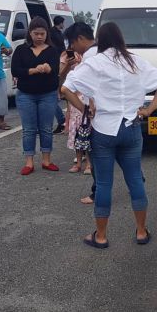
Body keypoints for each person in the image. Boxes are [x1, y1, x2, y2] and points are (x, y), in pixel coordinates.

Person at [62, 22, 157, 249]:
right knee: (135, 180)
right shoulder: (136, 62)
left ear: (100, 39)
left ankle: (100, 236)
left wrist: (84, 110)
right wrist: (148, 110)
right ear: (120, 38)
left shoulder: (95, 63)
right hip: (131, 127)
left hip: (103, 130)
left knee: (103, 184)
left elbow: (65, 88)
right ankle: (141, 231)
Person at [10, 17, 61, 175]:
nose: (39, 37)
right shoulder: (21, 50)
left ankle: (46, 159)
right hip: (26, 94)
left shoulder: (52, 50)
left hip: (48, 94)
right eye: (36, 33)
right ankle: (29, 161)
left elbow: (56, 69)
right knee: (29, 129)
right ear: (29, 33)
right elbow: (15, 70)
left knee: (46, 128)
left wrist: (48, 68)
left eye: (42, 33)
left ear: (47, 34)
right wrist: (33, 70)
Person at [61, 22, 96, 203]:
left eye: (73, 43)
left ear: (81, 38)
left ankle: (97, 194)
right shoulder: (115, 53)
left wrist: (85, 110)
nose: (72, 48)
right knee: (129, 162)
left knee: (100, 161)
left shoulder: (89, 59)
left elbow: (64, 89)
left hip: (102, 119)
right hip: (125, 119)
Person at [51, 16, 67, 134]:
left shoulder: (52, 33)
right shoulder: (57, 35)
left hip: (58, 66)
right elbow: (64, 49)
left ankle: (63, 121)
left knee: (52, 97)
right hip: (58, 65)